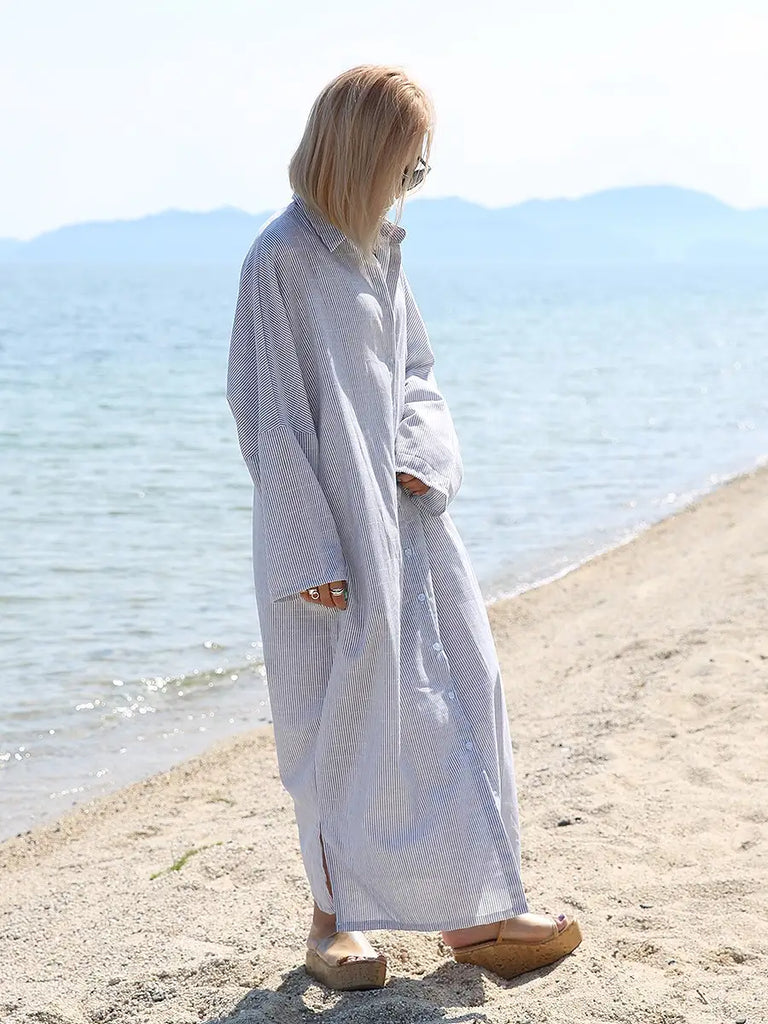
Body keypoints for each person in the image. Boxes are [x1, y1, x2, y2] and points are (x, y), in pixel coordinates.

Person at [226, 63, 583, 991]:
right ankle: (331, 924)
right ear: (362, 153)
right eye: (407, 164)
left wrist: (423, 455)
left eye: (420, 169)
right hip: (328, 545)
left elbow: (417, 370)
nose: (411, 183)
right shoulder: (280, 260)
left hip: (409, 521)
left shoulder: (381, 251)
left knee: (460, 693)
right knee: (337, 729)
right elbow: (267, 415)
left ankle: (478, 913)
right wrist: (309, 548)